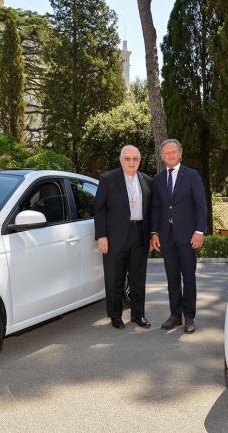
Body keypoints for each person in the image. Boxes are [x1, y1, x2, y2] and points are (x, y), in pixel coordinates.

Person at [151, 139, 207, 334]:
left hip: (188, 237)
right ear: (162, 156)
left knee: (188, 278)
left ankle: (189, 317)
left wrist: (199, 231)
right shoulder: (158, 179)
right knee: (172, 278)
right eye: (166, 153)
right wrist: (154, 233)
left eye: (173, 152)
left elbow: (201, 205)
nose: (170, 155)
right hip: (166, 237)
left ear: (180, 153)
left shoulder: (192, 175)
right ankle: (175, 315)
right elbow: (156, 208)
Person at [94, 145, 153, 329]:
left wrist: (152, 235)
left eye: (135, 159)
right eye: (127, 159)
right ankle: (115, 316)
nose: (131, 162)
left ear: (139, 161)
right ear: (121, 160)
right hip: (114, 237)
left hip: (139, 235)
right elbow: (99, 209)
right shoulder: (107, 179)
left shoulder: (147, 181)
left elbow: (151, 211)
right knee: (114, 278)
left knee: (138, 278)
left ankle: (138, 315)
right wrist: (101, 235)